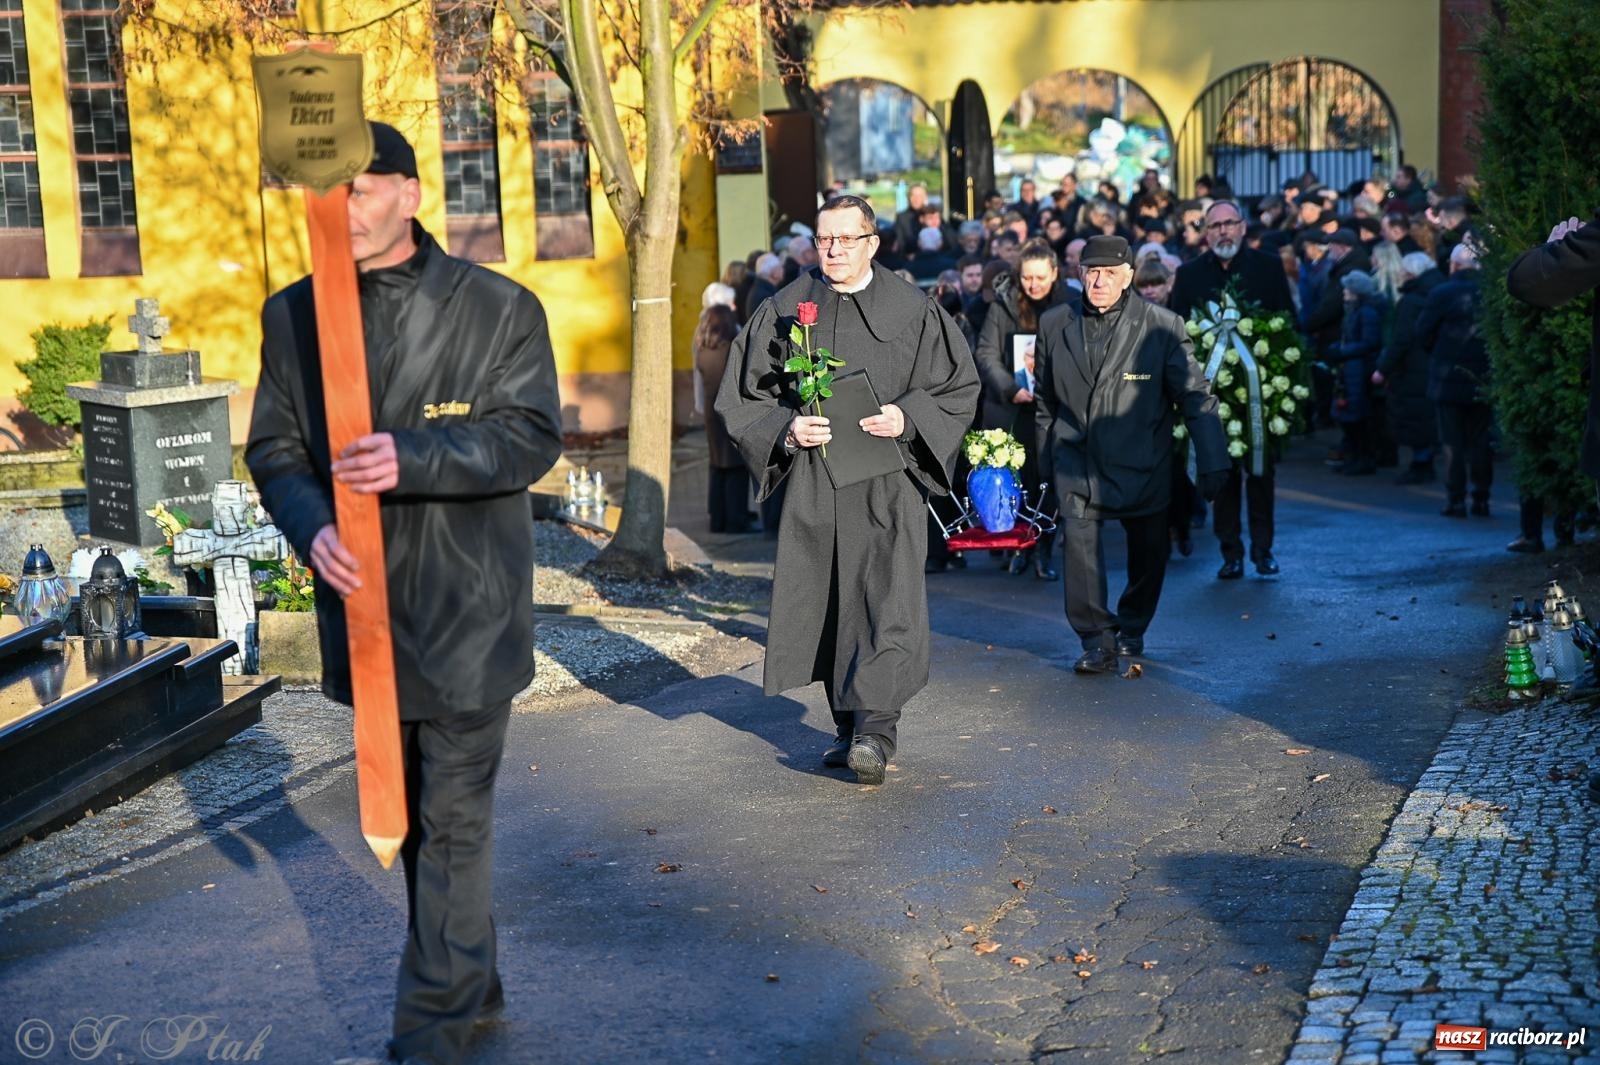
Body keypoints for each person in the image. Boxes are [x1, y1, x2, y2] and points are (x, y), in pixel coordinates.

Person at [245, 123, 564, 1065]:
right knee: (427, 818)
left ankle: (429, 1034)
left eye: (360, 189)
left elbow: (532, 434)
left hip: (470, 610)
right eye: (328, 191)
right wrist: (313, 526)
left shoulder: (499, 307)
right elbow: (275, 449)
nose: (341, 208)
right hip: (368, 617)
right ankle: (474, 978)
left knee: (451, 820)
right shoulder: (292, 315)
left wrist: (415, 456)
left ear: (410, 194)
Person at [715, 195, 979, 785]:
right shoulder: (784, 309)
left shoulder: (915, 311)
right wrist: (786, 429)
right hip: (816, 482)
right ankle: (845, 724)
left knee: (886, 600)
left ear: (872, 243)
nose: (832, 250)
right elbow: (743, 396)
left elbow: (958, 387)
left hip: (887, 481)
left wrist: (907, 418)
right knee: (830, 601)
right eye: (824, 239)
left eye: (846, 239)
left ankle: (875, 732)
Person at [1032, 235, 1228, 673]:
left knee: (1150, 551)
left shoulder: (1162, 325)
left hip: (1143, 459)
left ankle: (1133, 623)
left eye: (1109, 273)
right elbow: (1045, 401)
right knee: (1079, 548)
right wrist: (1043, 466)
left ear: (1129, 277)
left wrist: (1213, 458)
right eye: (1092, 272)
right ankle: (1096, 639)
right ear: (1079, 274)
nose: (1099, 281)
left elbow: (1194, 396)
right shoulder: (1054, 323)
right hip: (1076, 458)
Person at [1168, 199, 1295, 579]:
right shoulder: (1190, 274)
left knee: (1260, 473)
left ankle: (1263, 550)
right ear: (1206, 233)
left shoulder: (1268, 266)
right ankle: (1231, 553)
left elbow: (1288, 320)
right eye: (1215, 225)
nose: (1223, 231)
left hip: (1260, 390)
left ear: (1243, 227)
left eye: (1229, 223)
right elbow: (1178, 332)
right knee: (1220, 474)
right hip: (1212, 393)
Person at [972, 240, 1071, 579]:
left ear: (1054, 274)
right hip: (1011, 409)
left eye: (1041, 278)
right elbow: (986, 353)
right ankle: (1017, 547)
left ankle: (1043, 549)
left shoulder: (1070, 303)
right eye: (1027, 277)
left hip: (1054, 409)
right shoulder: (1003, 305)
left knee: (1048, 481)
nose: (1034, 285)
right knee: (1013, 481)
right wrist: (1010, 388)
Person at [1418, 243, 1492, 517]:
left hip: (1448, 375)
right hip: (1483, 375)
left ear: (1454, 265)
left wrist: (1439, 353)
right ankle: (1481, 496)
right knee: (1481, 438)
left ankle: (1456, 498)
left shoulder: (1442, 293)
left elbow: (1423, 332)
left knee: (1452, 441)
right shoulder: (1488, 291)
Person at [1372, 251, 1446, 484]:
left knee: (1414, 416)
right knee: (1424, 415)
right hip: (1431, 362)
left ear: (1411, 273)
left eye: (1404, 271)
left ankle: (1420, 464)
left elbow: (1401, 339)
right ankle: (1424, 461)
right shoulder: (1435, 292)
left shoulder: (1410, 302)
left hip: (1412, 367)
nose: (1400, 274)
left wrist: (1383, 368)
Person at [695, 283, 753, 533]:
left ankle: (717, 519)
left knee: (717, 463)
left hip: (711, 410)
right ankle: (735, 520)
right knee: (735, 466)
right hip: (730, 410)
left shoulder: (703, 348)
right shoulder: (730, 348)